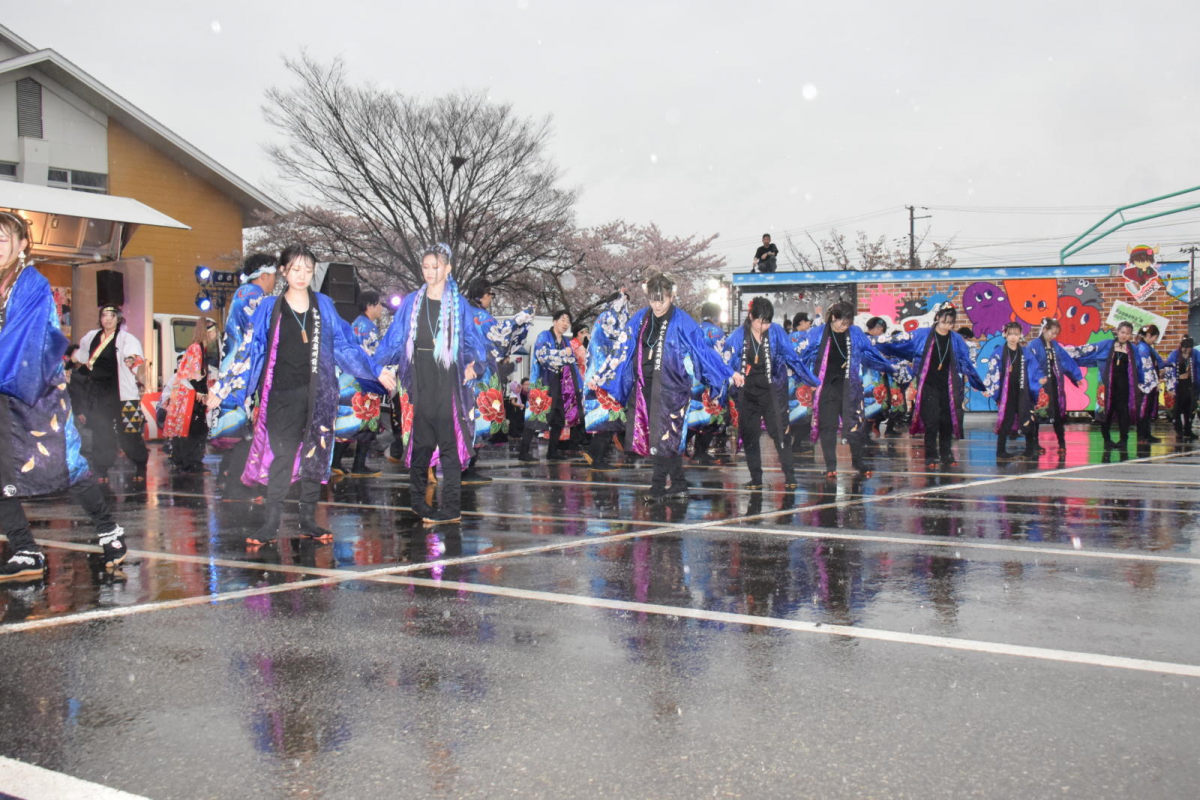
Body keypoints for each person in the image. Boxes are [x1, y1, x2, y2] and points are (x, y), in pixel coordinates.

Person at [207, 244, 396, 545]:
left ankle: (308, 520)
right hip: (281, 393)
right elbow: (248, 350)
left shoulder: (323, 304)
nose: (302, 275)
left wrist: (374, 369)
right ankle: (271, 523)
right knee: (281, 457)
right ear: (283, 270)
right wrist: (225, 386)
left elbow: (345, 345)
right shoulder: (270, 307)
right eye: (296, 269)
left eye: (308, 269)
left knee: (315, 455)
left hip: (318, 394)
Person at [0, 211, 126, 579]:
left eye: (5, 239)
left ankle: (109, 530)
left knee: (67, 464)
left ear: (23, 244)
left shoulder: (32, 284)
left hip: (34, 394)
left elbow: (29, 340)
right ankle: (24, 549)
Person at [592, 273, 734, 502]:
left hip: (673, 387)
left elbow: (703, 350)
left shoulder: (682, 320)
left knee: (662, 436)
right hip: (645, 385)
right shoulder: (641, 318)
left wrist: (728, 373)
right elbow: (621, 348)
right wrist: (601, 375)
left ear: (671, 296)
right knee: (665, 438)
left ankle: (658, 486)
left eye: (662, 300)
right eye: (653, 300)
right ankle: (678, 484)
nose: (657, 305)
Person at [373, 243, 486, 525]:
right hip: (419, 375)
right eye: (426, 267)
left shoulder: (458, 303)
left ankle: (450, 508)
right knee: (420, 441)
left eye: (435, 267)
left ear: (447, 269)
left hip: (448, 375)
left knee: (448, 442)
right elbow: (395, 339)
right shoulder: (412, 301)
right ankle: (417, 503)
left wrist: (476, 365)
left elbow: (473, 342)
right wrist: (377, 366)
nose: (430, 272)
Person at [725, 297, 818, 488]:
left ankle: (790, 477)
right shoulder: (737, 336)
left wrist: (810, 380)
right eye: (760, 321)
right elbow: (725, 363)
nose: (763, 326)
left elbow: (792, 357)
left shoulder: (776, 332)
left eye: (767, 322)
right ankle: (756, 478)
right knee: (750, 435)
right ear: (751, 316)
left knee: (780, 434)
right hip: (748, 393)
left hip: (772, 391)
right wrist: (731, 375)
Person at [877, 305, 986, 469]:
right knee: (932, 420)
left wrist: (974, 380)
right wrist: (876, 342)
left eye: (950, 323)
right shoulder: (922, 334)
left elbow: (965, 360)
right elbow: (900, 340)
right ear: (937, 319)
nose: (946, 326)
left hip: (948, 386)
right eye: (944, 322)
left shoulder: (956, 339)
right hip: (928, 384)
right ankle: (931, 455)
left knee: (947, 421)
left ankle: (946, 453)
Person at [795, 302, 895, 478]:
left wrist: (890, 366)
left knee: (855, 426)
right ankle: (831, 465)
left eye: (848, 323)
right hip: (826, 387)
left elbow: (869, 352)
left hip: (850, 386)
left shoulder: (855, 333)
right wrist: (806, 378)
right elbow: (800, 356)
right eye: (842, 322)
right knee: (828, 427)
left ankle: (858, 461)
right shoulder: (817, 334)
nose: (844, 327)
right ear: (833, 317)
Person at [212, 252, 277, 486]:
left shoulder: (242, 293)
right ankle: (237, 483)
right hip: (246, 368)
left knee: (241, 428)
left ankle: (227, 476)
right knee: (247, 428)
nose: (275, 281)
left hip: (236, 365)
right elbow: (263, 335)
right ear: (265, 275)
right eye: (274, 276)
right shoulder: (254, 296)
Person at [463, 283, 533, 482]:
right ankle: (467, 468)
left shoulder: (462, 313)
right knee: (479, 420)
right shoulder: (482, 316)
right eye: (490, 294)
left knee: (470, 419)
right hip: (481, 373)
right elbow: (500, 335)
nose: (491, 298)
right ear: (482, 295)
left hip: (465, 374)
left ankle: (466, 467)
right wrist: (518, 320)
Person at [74, 305, 149, 482]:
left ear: (119, 319)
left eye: (112, 316)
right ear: (100, 318)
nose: (108, 319)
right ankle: (102, 470)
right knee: (102, 432)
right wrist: (67, 365)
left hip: (122, 393)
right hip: (99, 393)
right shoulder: (91, 337)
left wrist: (131, 360)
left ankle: (140, 465)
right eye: (104, 315)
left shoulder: (126, 339)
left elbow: (136, 357)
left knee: (129, 433)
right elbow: (81, 357)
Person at [332, 290, 386, 477]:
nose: (381, 308)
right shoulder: (368, 328)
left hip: (350, 382)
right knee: (368, 422)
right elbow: (376, 356)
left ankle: (336, 462)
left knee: (350, 423)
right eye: (379, 304)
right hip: (365, 382)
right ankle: (359, 465)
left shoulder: (354, 325)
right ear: (370, 305)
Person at [518, 310, 584, 463]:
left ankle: (552, 451)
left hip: (560, 384)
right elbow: (542, 355)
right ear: (554, 321)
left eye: (568, 321)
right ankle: (523, 451)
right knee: (535, 415)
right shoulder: (544, 336)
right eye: (562, 319)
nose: (565, 323)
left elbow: (571, 361)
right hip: (544, 382)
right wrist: (562, 354)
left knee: (559, 419)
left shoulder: (566, 341)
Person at [1070, 321, 1141, 450]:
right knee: (1105, 413)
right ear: (1117, 332)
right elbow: (1088, 350)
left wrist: (1142, 382)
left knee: (1123, 414)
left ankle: (1123, 440)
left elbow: (1140, 367)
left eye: (1128, 333)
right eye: (1122, 332)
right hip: (1107, 387)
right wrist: (1066, 353)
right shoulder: (1107, 345)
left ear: (1131, 335)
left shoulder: (1133, 350)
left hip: (1124, 388)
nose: (1124, 336)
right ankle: (1107, 440)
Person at [581, 290, 631, 471]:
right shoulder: (608, 317)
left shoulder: (606, 318)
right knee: (607, 421)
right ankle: (597, 459)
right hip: (604, 377)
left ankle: (595, 454)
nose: (625, 306)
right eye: (624, 302)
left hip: (606, 376)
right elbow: (621, 338)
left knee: (608, 422)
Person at [162, 317, 218, 473]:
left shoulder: (198, 348)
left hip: (189, 393)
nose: (216, 335)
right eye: (214, 331)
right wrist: (201, 390)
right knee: (195, 429)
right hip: (191, 395)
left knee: (189, 428)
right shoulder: (196, 348)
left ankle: (184, 460)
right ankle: (191, 462)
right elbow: (192, 373)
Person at [1026, 318, 1084, 453]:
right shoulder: (1033, 346)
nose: (1053, 336)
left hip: (1055, 385)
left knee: (1057, 414)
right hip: (1040, 386)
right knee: (1037, 413)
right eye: (1052, 333)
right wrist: (1039, 377)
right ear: (1044, 330)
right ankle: (1035, 443)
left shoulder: (1055, 346)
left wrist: (1076, 376)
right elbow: (1031, 365)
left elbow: (1065, 361)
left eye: (1056, 334)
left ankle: (1062, 443)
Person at [984, 322, 1035, 459]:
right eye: (1011, 333)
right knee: (1006, 421)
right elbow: (992, 370)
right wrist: (989, 388)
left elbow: (1034, 369)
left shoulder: (1025, 352)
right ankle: (1000, 451)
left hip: (1023, 392)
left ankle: (1030, 449)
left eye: (1016, 334)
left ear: (1020, 336)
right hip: (1008, 393)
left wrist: (1039, 380)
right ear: (1005, 334)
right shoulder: (999, 351)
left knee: (1028, 419)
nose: (1013, 337)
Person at [690, 301, 728, 463]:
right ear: (716, 316)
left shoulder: (692, 329)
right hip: (711, 381)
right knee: (713, 417)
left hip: (691, 380)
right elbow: (723, 358)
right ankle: (700, 451)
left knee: (693, 416)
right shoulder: (716, 332)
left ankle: (681, 448)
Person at [1135, 325, 1165, 442]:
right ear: (1148, 336)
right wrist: (1154, 382)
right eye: (1154, 337)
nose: (1155, 340)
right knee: (1144, 410)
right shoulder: (1143, 348)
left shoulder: (1146, 347)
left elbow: (1158, 361)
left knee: (1147, 410)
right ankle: (1142, 435)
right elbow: (1147, 368)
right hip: (1145, 385)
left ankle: (1146, 434)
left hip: (1148, 383)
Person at [1167, 336, 1198, 441]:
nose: (1188, 350)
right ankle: (1179, 430)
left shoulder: (1194, 354)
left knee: (1190, 409)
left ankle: (1188, 430)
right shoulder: (1174, 355)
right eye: (1186, 347)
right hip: (1178, 386)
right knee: (1177, 409)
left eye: (1190, 348)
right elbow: (1169, 370)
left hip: (1189, 386)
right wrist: (1171, 386)